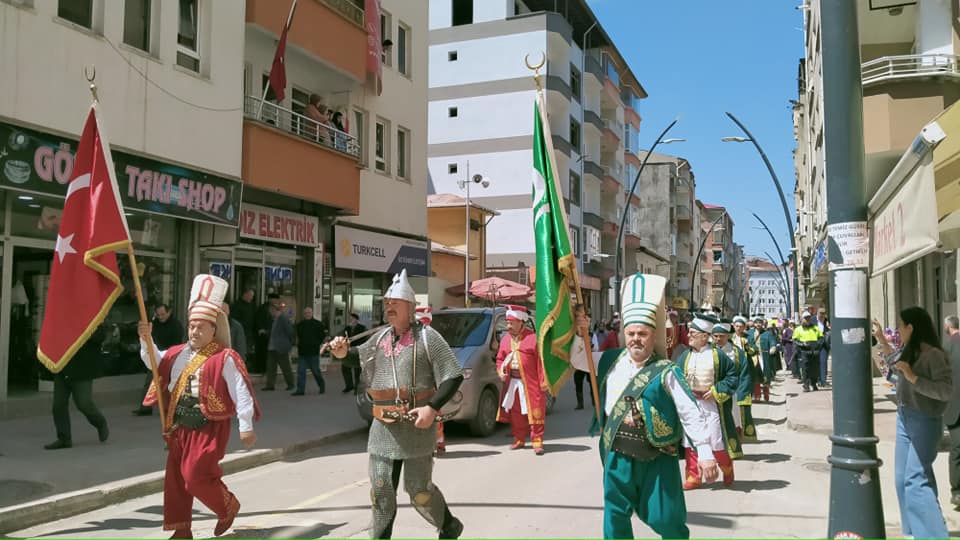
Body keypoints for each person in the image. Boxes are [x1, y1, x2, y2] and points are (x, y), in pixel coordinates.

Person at [575, 273, 718, 539]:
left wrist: (706, 453)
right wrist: (577, 328)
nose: (636, 339)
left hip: (657, 457)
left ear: (654, 336)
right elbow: (577, 357)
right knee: (615, 517)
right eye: (631, 333)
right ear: (624, 334)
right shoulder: (609, 360)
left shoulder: (666, 371)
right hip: (617, 454)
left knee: (667, 520)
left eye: (642, 333)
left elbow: (690, 413)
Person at [329, 269, 464, 539]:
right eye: (386, 303)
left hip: (416, 425)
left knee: (419, 492)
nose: (389, 307)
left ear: (411, 307)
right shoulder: (379, 339)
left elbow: (453, 375)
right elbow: (358, 357)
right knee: (380, 490)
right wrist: (343, 352)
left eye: (395, 303)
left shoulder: (428, 337)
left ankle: (449, 525)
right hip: (383, 427)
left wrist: (432, 406)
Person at [137, 274, 260, 538]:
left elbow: (241, 389)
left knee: (195, 477)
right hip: (179, 427)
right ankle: (182, 531)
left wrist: (246, 425)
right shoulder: (177, 353)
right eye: (192, 326)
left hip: (208, 427)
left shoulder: (224, 357)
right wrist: (145, 339)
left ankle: (227, 505)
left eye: (201, 327)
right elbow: (154, 361)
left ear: (214, 330)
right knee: (176, 481)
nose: (194, 331)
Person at [873, 307, 952, 539]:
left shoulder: (933, 355)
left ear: (911, 328)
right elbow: (893, 361)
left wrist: (913, 378)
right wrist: (881, 340)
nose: (897, 330)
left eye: (900, 325)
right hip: (905, 417)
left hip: (925, 420)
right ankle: (912, 532)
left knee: (915, 479)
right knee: (902, 479)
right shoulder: (909, 349)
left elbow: (945, 391)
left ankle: (933, 535)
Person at [674, 313, 740, 488]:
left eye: (693, 334)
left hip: (711, 405)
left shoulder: (718, 356)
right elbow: (677, 377)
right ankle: (693, 476)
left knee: (715, 440)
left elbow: (732, 377)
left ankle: (726, 467)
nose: (688, 336)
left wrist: (717, 390)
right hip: (691, 404)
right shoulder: (685, 356)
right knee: (689, 440)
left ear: (704, 336)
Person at [44, 325, 109, 450]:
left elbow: (100, 336)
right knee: (58, 405)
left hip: (82, 367)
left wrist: (83, 329)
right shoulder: (62, 317)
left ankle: (100, 422)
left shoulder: (92, 314)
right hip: (63, 365)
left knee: (83, 403)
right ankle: (64, 438)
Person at [495, 305, 547, 455]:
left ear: (520, 322)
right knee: (516, 412)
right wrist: (501, 372)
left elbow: (541, 362)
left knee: (536, 411)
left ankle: (537, 440)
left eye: (511, 323)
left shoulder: (533, 339)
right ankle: (519, 439)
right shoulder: (505, 340)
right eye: (507, 323)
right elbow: (500, 359)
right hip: (513, 382)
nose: (508, 326)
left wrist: (543, 381)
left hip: (531, 383)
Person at [134, 304, 185, 416]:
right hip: (155, 356)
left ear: (169, 312)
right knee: (149, 383)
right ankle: (145, 408)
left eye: (163, 314)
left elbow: (177, 343)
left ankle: (171, 407)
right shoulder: (154, 324)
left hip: (171, 359)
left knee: (171, 385)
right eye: (158, 315)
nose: (160, 317)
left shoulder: (176, 325)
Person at [713, 318, 757, 446]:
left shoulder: (737, 353)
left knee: (733, 420)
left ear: (728, 336)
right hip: (712, 393)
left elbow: (744, 374)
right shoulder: (709, 351)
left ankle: (732, 446)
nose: (718, 339)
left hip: (733, 393)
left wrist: (742, 392)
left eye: (721, 336)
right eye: (715, 336)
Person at [415, 307, 447, 457]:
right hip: (416, 384)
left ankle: (439, 443)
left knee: (434, 413)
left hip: (431, 383)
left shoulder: (434, 339)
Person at [943, 315, 960, 509]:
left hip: (953, 407)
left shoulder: (945, 348)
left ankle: (957, 493)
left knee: (956, 449)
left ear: (948, 327)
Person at [292, 307, 328, 395]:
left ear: (312, 313)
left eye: (309, 312)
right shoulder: (300, 325)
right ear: (303, 314)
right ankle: (300, 390)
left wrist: (317, 344)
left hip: (313, 352)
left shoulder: (318, 324)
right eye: (305, 313)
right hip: (302, 352)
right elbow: (298, 337)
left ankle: (321, 384)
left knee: (315, 371)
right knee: (301, 371)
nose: (307, 314)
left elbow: (322, 337)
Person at [263, 302, 295, 391]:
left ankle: (290, 383)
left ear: (274, 310)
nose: (270, 312)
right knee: (271, 367)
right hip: (272, 347)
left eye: (271, 310)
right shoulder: (273, 320)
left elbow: (290, 331)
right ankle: (270, 385)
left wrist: (289, 344)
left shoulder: (283, 319)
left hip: (281, 347)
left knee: (285, 367)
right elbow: (272, 332)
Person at [571, 303, 597, 411]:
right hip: (579, 362)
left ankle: (595, 401)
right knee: (578, 382)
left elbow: (595, 348)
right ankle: (580, 403)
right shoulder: (573, 334)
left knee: (592, 382)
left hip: (590, 361)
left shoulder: (591, 334)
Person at [793, 313, 825, 392]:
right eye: (805, 318)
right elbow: (795, 340)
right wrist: (802, 344)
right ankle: (806, 385)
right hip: (805, 351)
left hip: (814, 351)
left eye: (809, 318)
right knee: (805, 369)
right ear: (802, 319)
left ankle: (814, 384)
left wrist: (818, 344)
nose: (807, 320)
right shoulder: (798, 329)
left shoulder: (815, 328)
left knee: (815, 368)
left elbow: (821, 338)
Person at [341, 313, 366, 394]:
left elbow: (365, 339)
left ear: (356, 319)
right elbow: (343, 337)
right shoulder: (347, 328)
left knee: (357, 370)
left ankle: (357, 388)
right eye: (349, 319)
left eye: (352, 319)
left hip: (357, 350)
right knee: (345, 368)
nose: (350, 320)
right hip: (348, 350)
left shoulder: (362, 328)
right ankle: (349, 386)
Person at [757, 321, 780, 402]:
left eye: (759, 322)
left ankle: (766, 392)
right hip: (753, 357)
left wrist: (773, 347)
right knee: (755, 376)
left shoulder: (768, 334)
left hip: (764, 356)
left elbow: (772, 341)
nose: (758, 324)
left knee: (765, 375)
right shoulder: (749, 333)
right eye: (756, 322)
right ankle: (757, 395)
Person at [222, 302, 247, 372]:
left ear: (228, 312)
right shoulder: (213, 324)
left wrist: (241, 361)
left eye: (224, 311)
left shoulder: (236, 326)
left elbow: (241, 345)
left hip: (231, 359)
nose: (222, 313)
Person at [232, 289, 256, 360]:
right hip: (240, 331)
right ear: (245, 295)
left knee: (247, 350)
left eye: (252, 296)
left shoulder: (251, 306)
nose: (251, 298)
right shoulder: (237, 305)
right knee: (240, 348)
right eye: (250, 296)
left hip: (249, 332)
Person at [817, 309, 831, 386]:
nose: (822, 315)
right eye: (820, 313)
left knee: (823, 362)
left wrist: (828, 327)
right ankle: (816, 380)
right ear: (817, 313)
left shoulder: (827, 321)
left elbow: (830, 330)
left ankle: (823, 381)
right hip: (814, 345)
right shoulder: (812, 320)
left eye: (823, 314)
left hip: (824, 344)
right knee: (816, 363)